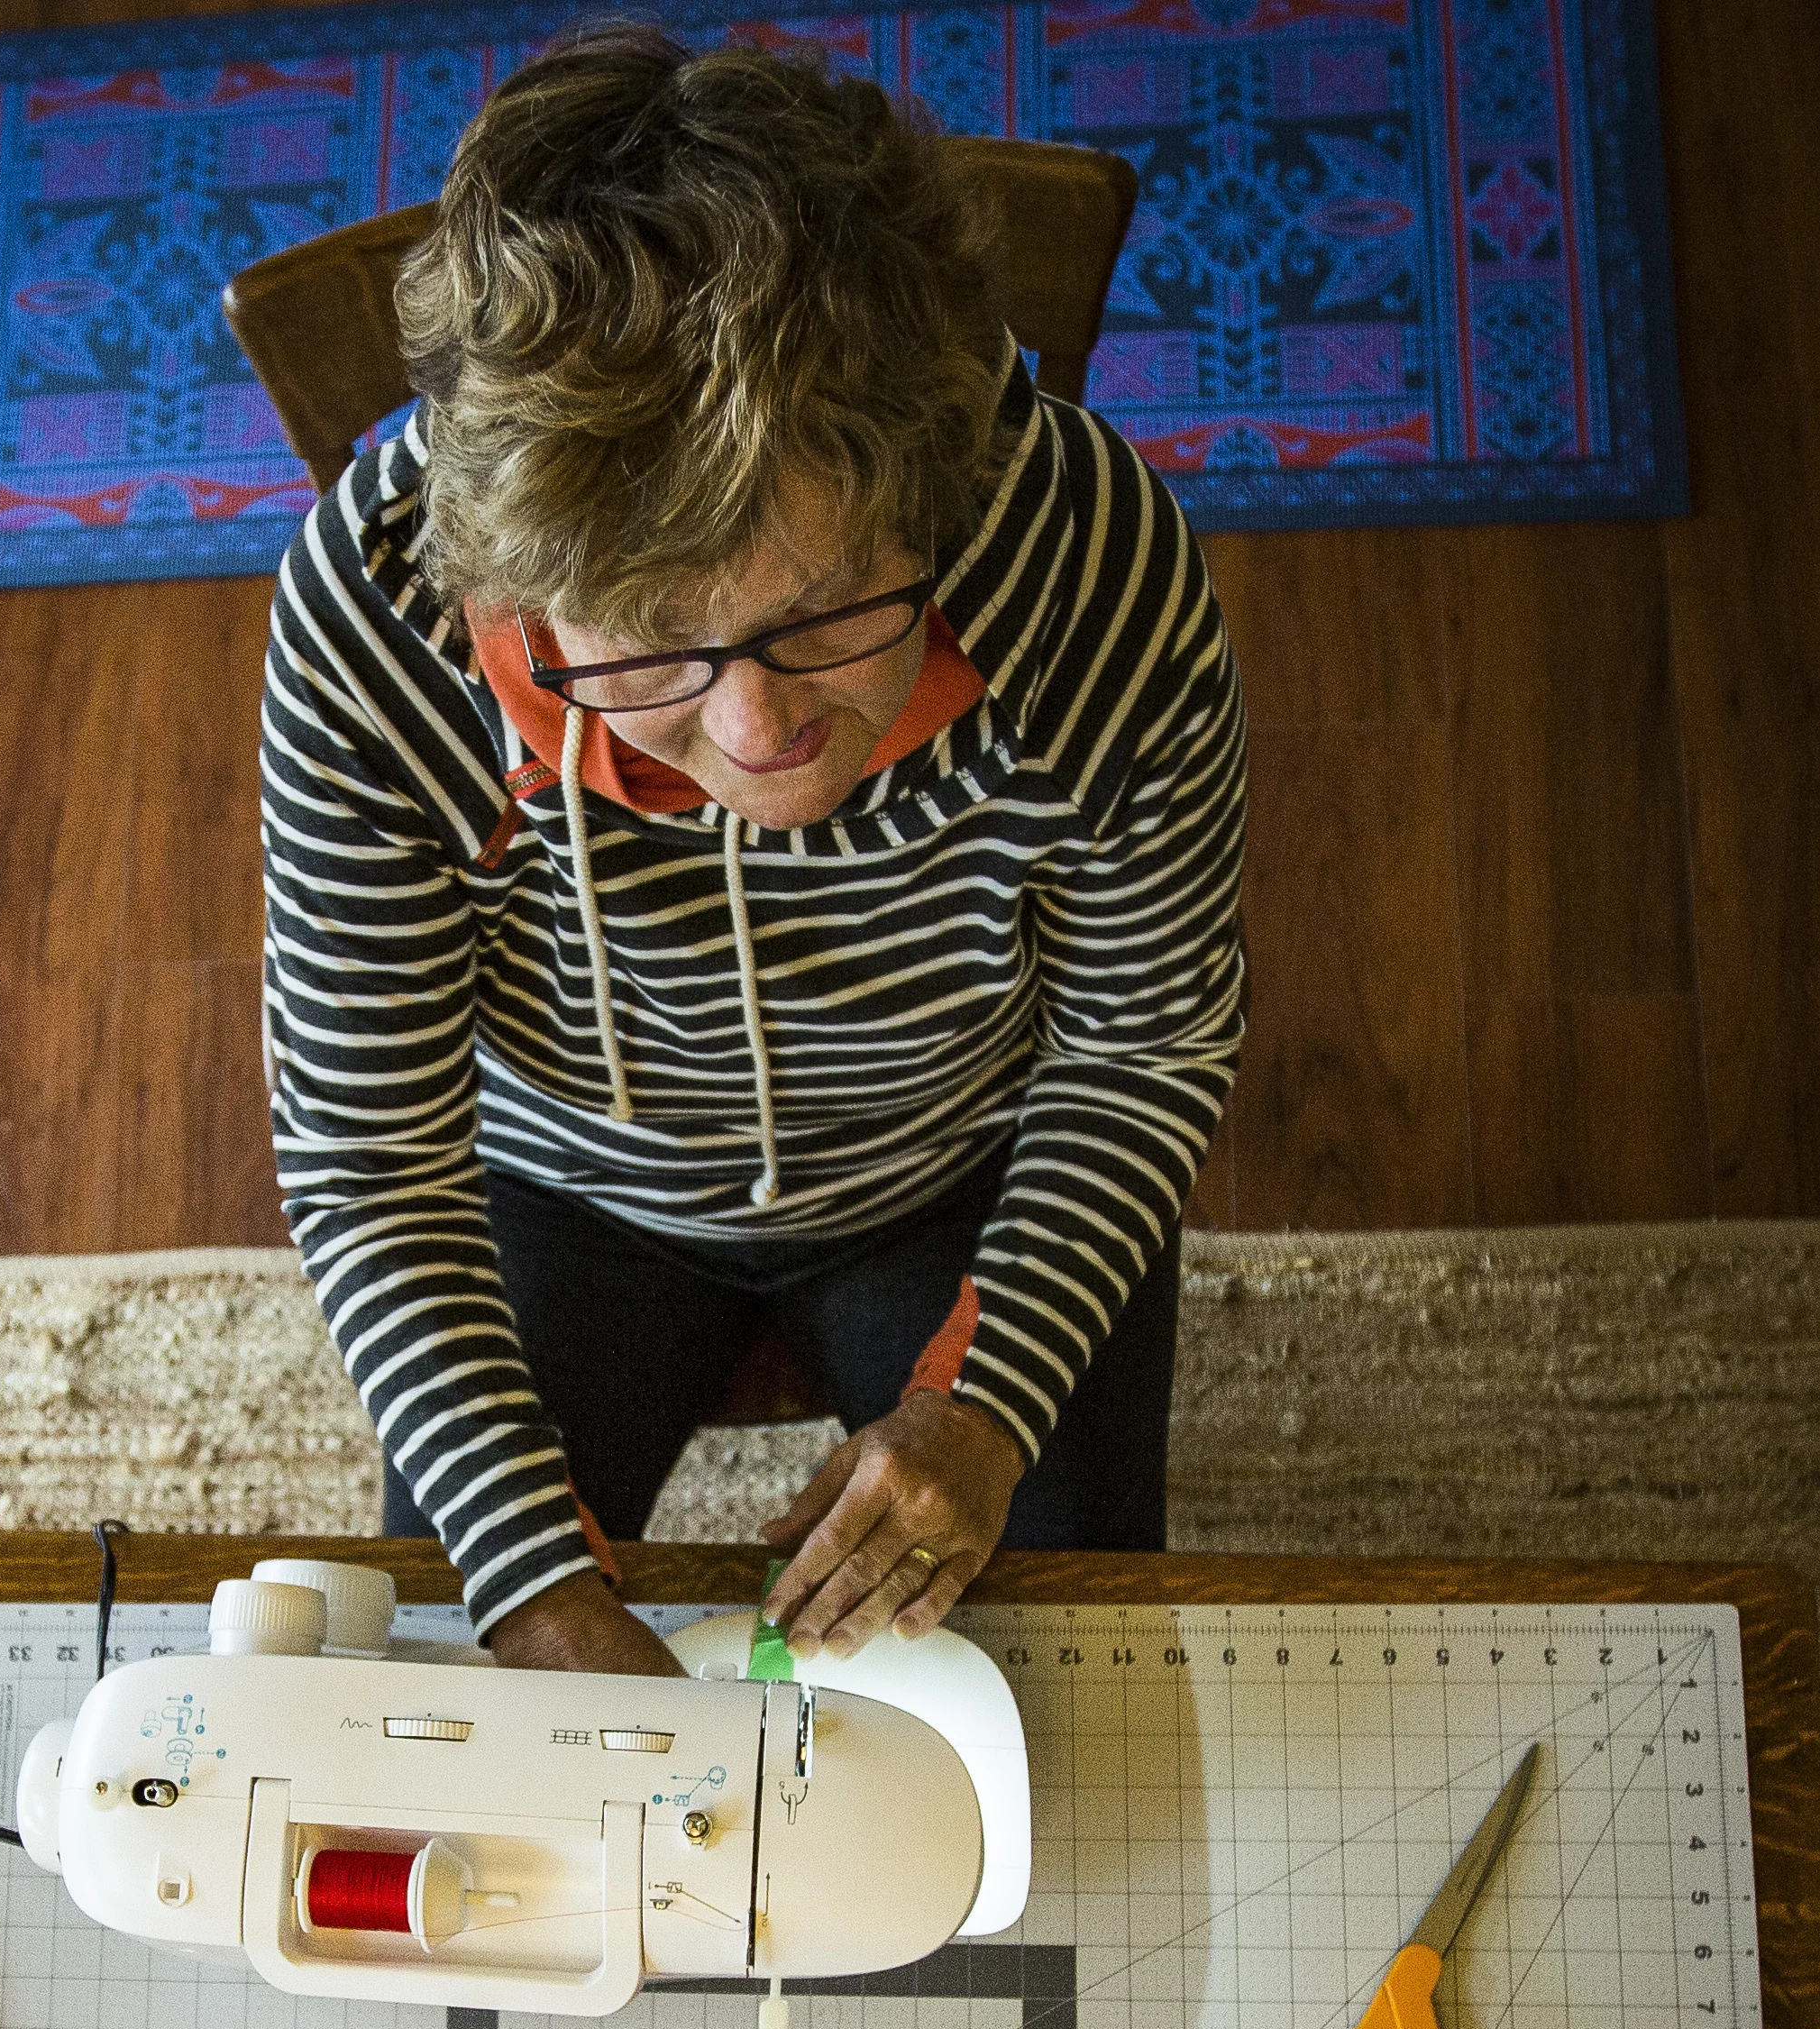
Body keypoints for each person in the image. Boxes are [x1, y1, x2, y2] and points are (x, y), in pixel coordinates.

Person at [263, 32, 1244, 1681]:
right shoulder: (369, 614)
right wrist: (527, 1577)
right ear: (515, 591)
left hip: (959, 1153)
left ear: (925, 496)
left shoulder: (1090, 558)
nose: (753, 730)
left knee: (1075, 1697)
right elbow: (369, 1160)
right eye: (647, 643)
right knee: (457, 1664)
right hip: (565, 1179)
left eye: (822, 610)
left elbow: (1142, 1042)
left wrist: (983, 1402)